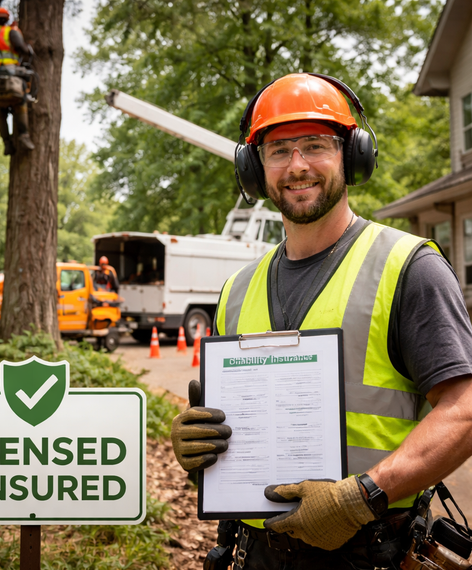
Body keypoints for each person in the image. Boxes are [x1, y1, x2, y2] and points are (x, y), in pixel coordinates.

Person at [171, 73, 472, 569]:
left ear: (353, 156)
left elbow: (461, 410)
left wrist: (365, 494)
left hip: (370, 552)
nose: (297, 166)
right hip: (255, 554)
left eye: (315, 145)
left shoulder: (408, 267)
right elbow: (231, 429)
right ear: (254, 168)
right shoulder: (236, 290)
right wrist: (199, 451)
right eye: (278, 150)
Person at [0, 6, 35, 155]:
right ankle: (24, 136)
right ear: (6, 19)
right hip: (10, 74)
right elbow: (20, 48)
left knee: (0, 108)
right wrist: (28, 48)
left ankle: (7, 142)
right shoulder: (10, 32)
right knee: (20, 101)